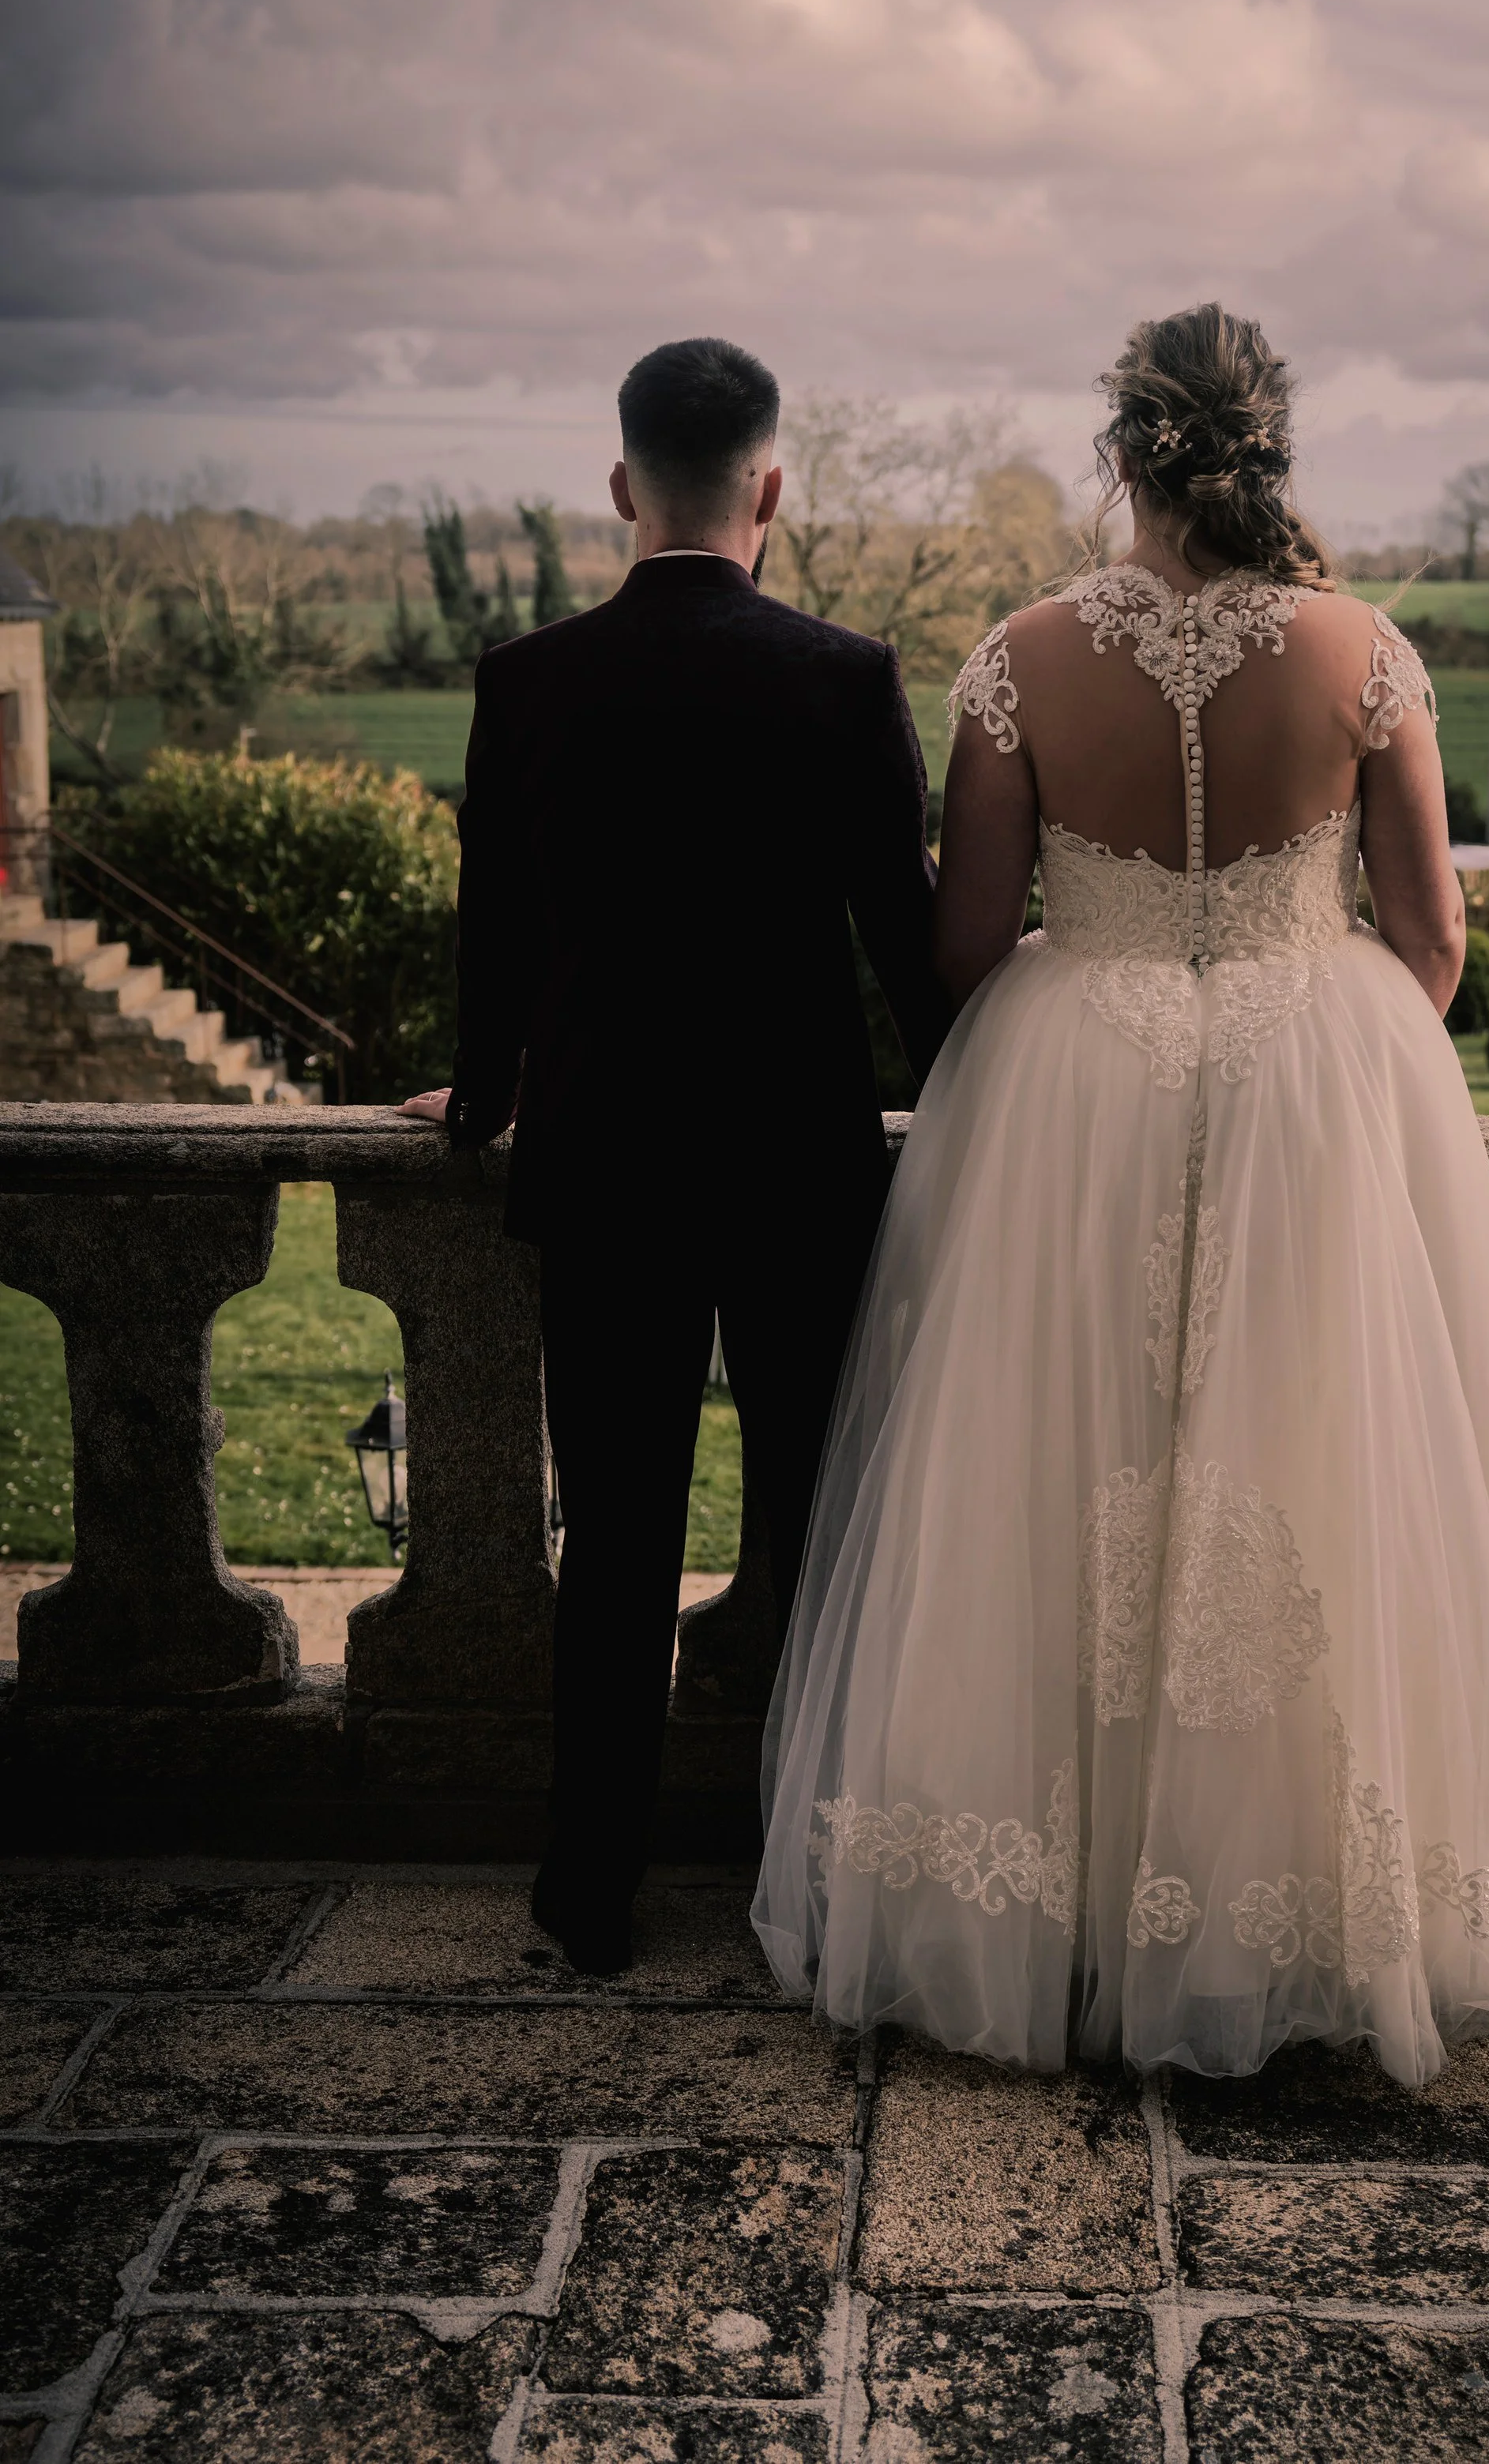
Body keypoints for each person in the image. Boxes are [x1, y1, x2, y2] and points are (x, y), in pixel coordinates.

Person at [754, 302, 1489, 2085]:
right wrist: (1315, 1042)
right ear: (1268, 446)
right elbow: (1430, 938)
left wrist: (1087, 990)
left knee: (1049, 1465)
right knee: (1312, 1466)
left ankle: (1053, 1900)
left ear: (1123, 453)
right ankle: (1295, 1896)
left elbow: (955, 939)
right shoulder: (1364, 652)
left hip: (1063, 1080)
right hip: (1307, 1080)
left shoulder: (1018, 656)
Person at [403, 336, 949, 1975]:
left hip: (608, 1165)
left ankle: (588, 1888)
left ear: (623, 485)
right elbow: (908, 953)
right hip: (798, 1175)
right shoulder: (845, 680)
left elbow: (495, 933)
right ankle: (835, 1883)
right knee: (824, 1532)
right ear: (770, 489)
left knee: (620, 1533)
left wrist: (482, 1089)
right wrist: (975, 1106)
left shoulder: (526, 681)